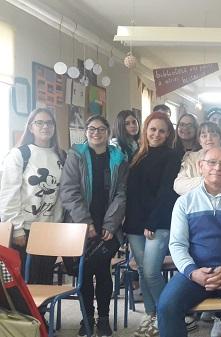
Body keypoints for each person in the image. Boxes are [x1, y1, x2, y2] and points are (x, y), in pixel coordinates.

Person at [157, 147, 221, 337]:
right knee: (166, 305)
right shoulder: (184, 202)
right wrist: (192, 272)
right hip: (196, 270)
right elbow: (177, 244)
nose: (217, 168)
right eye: (212, 163)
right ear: (201, 167)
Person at [60, 116, 127, 337]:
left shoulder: (119, 157)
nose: (95, 132)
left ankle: (104, 318)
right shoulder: (76, 155)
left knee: (102, 268)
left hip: (109, 224)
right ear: (86, 131)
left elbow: (121, 193)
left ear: (108, 132)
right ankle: (87, 317)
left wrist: (110, 223)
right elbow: (69, 191)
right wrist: (85, 223)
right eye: (91, 129)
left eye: (100, 129)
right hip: (80, 224)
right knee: (85, 271)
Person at [123, 112, 180, 337]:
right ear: (146, 130)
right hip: (135, 223)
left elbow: (167, 192)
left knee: (152, 273)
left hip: (158, 222)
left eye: (162, 131)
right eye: (152, 129)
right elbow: (133, 192)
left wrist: (153, 222)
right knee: (143, 272)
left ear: (168, 134)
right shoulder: (138, 154)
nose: (156, 134)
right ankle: (151, 316)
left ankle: (172, 316)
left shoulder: (172, 156)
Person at [0, 108, 66, 284]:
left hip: (50, 228)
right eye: (39, 122)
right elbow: (8, 195)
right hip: (24, 229)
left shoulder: (61, 155)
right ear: (30, 127)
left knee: (43, 281)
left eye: (49, 123)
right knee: (23, 283)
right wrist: (17, 229)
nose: (45, 126)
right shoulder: (19, 154)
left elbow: (62, 195)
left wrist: (59, 224)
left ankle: (41, 313)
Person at [174, 122, 221, 195]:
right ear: (199, 141)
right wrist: (210, 181)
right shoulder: (190, 158)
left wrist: (199, 184)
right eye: (204, 136)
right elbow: (179, 186)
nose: (209, 138)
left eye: (214, 135)